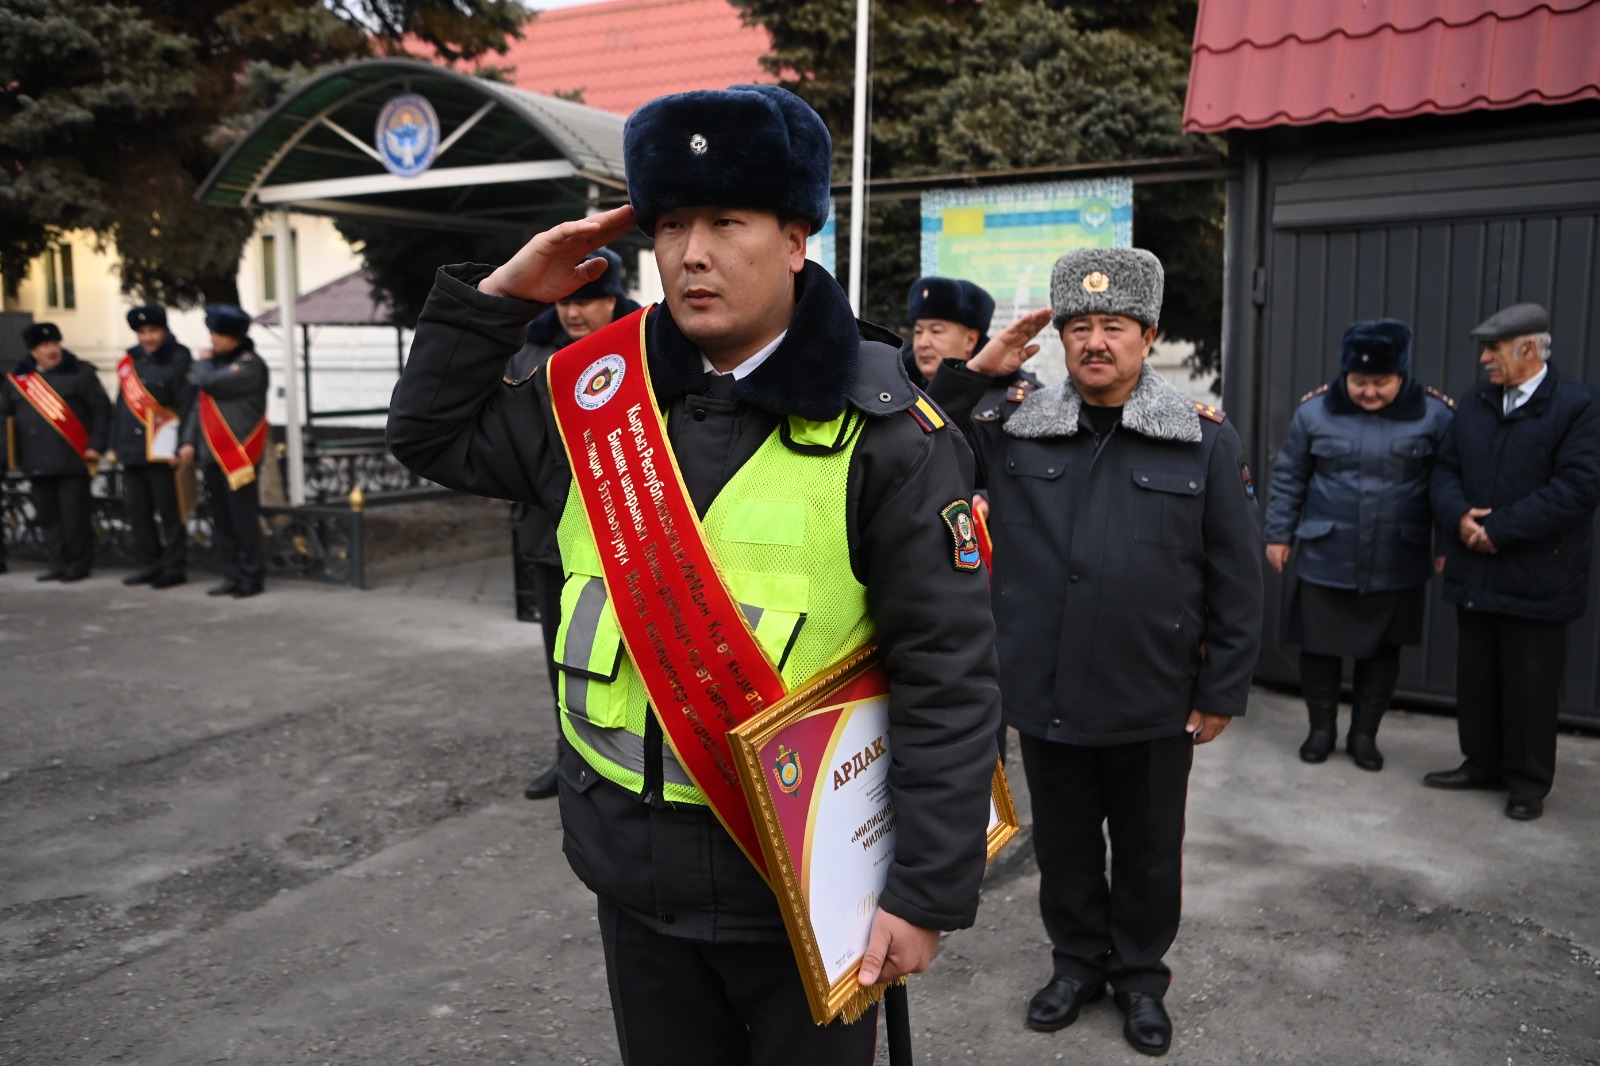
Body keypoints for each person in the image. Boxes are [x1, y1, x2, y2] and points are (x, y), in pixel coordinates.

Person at [387, 85, 1001, 1064]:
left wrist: (923, 895)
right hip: (632, 882)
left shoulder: (887, 437)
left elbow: (949, 677)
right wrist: (504, 293)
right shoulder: (592, 397)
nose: (691, 253)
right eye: (670, 224)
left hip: (802, 897)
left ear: (798, 238)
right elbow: (427, 434)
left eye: (727, 220)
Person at [929, 247, 1263, 1057]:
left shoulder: (1202, 442)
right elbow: (923, 441)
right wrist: (976, 372)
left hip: (1153, 693)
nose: (1094, 342)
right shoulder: (1011, 427)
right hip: (1046, 689)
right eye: (1079, 327)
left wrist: (1222, 688)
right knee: (1069, 846)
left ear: (1149, 336)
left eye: (1114, 326)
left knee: (1150, 851)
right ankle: (1076, 965)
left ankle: (1141, 977)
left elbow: (1237, 573)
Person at [1426, 302, 1600, 821]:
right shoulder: (1477, 402)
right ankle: (1480, 763)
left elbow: (1577, 488)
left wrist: (1497, 530)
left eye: (1493, 348)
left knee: (1530, 685)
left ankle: (1527, 783)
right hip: (1476, 568)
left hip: (1537, 573)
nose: (1484, 359)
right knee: (1477, 677)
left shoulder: (1577, 406)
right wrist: (1459, 518)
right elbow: (1445, 469)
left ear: (1528, 348)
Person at [1263, 319, 1454, 770]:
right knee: (1319, 646)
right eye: (1359, 382)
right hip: (1328, 551)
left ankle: (1364, 736)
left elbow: (1448, 485)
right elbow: (1290, 476)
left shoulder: (1435, 415)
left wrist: (1447, 542)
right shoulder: (1315, 413)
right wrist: (1277, 533)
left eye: (1380, 383)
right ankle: (1321, 730)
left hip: (1397, 556)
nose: (1369, 392)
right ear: (1344, 374)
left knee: (1384, 651)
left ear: (1402, 375)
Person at [507, 246, 643, 801]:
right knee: (561, 654)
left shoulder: (643, 344)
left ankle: (625, 760)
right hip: (549, 529)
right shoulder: (533, 352)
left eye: (588, 300)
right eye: (567, 300)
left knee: (621, 655)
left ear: (612, 301)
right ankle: (568, 760)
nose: (574, 312)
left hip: (622, 530)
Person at [1, 322, 112, 582]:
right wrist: (8, 457)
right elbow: (6, 420)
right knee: (47, 517)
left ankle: (78, 565)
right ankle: (57, 563)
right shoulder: (18, 381)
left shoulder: (81, 374)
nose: (51, 350)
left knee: (74, 517)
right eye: (44, 346)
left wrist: (96, 445)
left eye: (54, 344)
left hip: (73, 458)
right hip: (36, 461)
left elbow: (101, 411)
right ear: (32, 352)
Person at [178, 305, 269, 599]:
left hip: (238, 457)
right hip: (212, 454)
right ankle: (232, 574)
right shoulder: (218, 365)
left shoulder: (250, 365)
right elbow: (198, 407)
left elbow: (207, 381)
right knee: (223, 520)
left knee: (243, 520)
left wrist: (201, 363)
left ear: (234, 337)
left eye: (218, 334)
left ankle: (251, 576)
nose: (213, 340)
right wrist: (189, 441)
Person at [112, 305, 194, 589]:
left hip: (163, 450)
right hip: (133, 450)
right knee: (138, 512)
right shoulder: (130, 362)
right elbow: (121, 404)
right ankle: (149, 564)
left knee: (170, 512)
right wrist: (115, 444)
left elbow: (187, 405)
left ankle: (174, 567)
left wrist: (184, 444)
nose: (148, 338)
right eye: (142, 332)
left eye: (153, 331)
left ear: (165, 330)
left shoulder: (179, 358)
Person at [903, 276, 995, 385]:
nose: (922, 343)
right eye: (918, 331)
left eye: (936, 331)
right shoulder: (894, 392)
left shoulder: (1000, 397)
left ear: (970, 340)